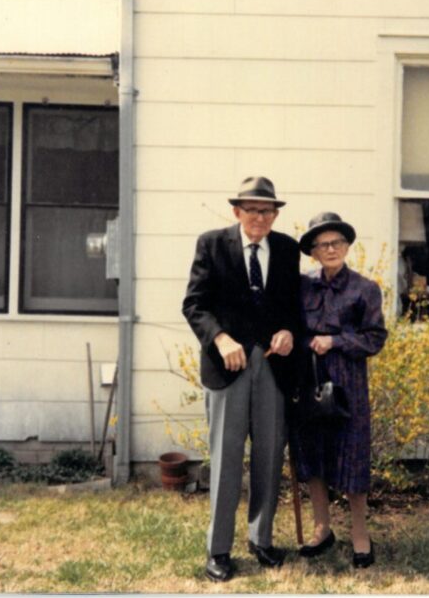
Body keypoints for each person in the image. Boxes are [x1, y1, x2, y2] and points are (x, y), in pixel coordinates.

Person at [182, 176, 302, 583]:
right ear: (236, 212)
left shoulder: (286, 250)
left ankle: (261, 539)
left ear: (275, 214)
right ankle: (219, 549)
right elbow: (194, 305)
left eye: (267, 211)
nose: (259, 217)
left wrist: (288, 332)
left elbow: (293, 309)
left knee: (269, 455)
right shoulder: (212, 244)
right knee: (227, 459)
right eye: (251, 210)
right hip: (227, 367)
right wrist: (220, 338)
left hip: (272, 367)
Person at [290, 212, 387, 568]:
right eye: (322, 244)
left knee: (352, 458)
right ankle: (322, 529)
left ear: (346, 246)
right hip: (310, 380)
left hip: (348, 384)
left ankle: (360, 534)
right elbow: (291, 328)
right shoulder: (302, 285)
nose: (330, 249)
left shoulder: (365, 288)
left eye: (336, 243)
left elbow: (374, 338)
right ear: (313, 252)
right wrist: (306, 341)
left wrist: (335, 340)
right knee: (313, 456)